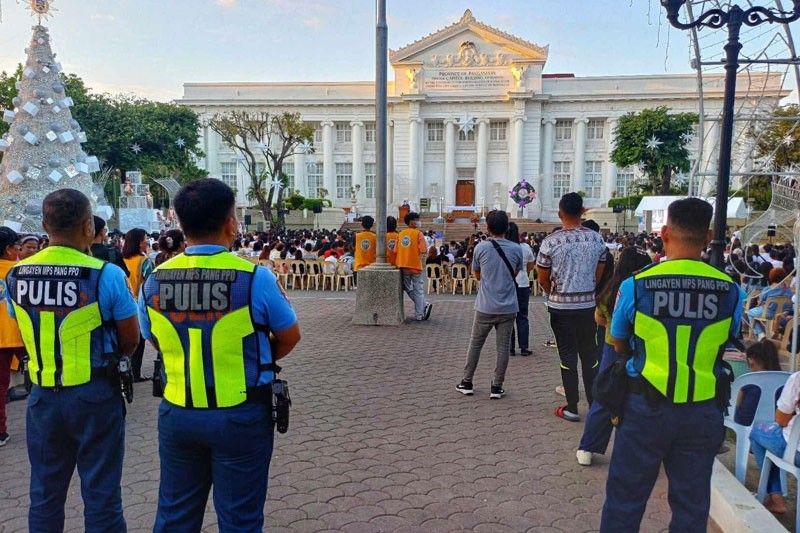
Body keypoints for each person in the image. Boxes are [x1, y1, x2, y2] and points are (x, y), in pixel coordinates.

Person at [139, 178, 301, 531]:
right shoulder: (253, 277)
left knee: (175, 514)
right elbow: (290, 335)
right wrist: (256, 358)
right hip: (241, 413)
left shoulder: (154, 280)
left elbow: (152, 338)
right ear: (231, 223)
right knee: (240, 518)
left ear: (182, 225)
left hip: (179, 410)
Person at [600, 197, 744, 532]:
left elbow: (618, 340)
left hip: (643, 407)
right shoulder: (730, 289)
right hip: (701, 410)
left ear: (664, 233)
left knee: (624, 500)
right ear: (708, 237)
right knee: (692, 506)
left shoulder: (636, 284)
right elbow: (729, 338)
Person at [4, 189, 140, 531]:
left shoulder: (16, 275)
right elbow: (131, 339)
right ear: (87, 226)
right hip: (95, 394)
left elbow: (20, 320)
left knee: (45, 494)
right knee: (102, 495)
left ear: (46, 225)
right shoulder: (105, 274)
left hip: (43, 396)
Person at [576, 247, 652, 466]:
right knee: (640, 397)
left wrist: (611, 322)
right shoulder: (642, 289)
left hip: (611, 348)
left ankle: (587, 447)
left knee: (606, 396)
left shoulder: (611, 289)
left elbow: (598, 318)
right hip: (639, 350)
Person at [537, 192, 607, 421]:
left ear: (560, 214)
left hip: (561, 308)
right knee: (590, 356)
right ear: (583, 211)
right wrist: (589, 288)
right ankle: (595, 404)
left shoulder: (551, 241)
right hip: (587, 306)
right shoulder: (596, 239)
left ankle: (572, 407)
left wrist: (553, 293)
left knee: (567, 356)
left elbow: (542, 277)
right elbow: (600, 270)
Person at [456, 210, 522, 399]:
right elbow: (515, 273)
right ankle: (496, 386)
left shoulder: (481, 248)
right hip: (508, 306)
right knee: (502, 348)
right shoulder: (516, 249)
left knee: (476, 344)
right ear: (507, 227)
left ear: (488, 227)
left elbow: (476, 274)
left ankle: (467, 381)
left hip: (485, 305)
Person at [749, 369, 800, 515]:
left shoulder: (797, 378)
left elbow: (781, 419)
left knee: (757, 433)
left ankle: (776, 498)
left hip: (795, 450)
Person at [0, 227, 25, 445]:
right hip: (21, 334)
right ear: (8, 249)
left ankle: (1, 431)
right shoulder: (19, 270)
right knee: (43, 378)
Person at [123, 228, 154, 382]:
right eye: (144, 239)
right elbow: (149, 283)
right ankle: (135, 373)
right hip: (138, 304)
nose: (147, 242)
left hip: (123, 302)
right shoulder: (144, 261)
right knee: (139, 341)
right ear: (138, 242)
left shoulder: (122, 258)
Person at [396, 212, 433, 321]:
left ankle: (423, 306)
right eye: (416, 219)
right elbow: (423, 250)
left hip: (403, 265)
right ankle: (420, 313)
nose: (418, 221)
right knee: (418, 290)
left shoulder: (401, 234)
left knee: (408, 288)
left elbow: (396, 250)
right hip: (415, 266)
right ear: (411, 221)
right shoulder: (418, 234)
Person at [507, 222, 535, 356]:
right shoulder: (525, 247)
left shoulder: (504, 247)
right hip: (523, 282)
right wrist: (523, 271)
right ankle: (524, 347)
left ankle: (509, 347)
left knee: (508, 317)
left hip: (507, 284)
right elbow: (531, 265)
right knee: (523, 316)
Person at [354, 215, 377, 283]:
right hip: (372, 266)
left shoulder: (356, 236)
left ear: (362, 224)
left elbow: (352, 248)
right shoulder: (375, 237)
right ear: (372, 225)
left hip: (359, 266)